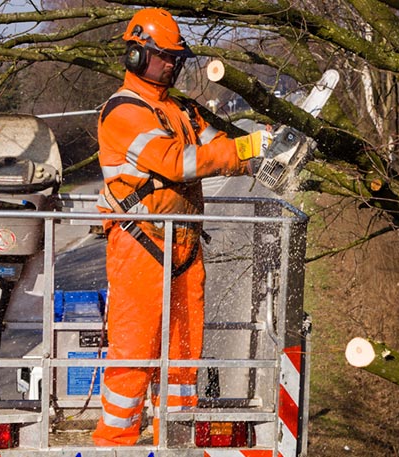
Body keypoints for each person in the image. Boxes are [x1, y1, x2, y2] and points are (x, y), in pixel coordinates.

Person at [92, 7, 272, 446]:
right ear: (137, 54)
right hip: (140, 241)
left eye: (176, 58)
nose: (172, 65)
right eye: (165, 56)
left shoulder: (181, 111)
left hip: (185, 244)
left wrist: (262, 149)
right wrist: (242, 150)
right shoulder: (122, 111)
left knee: (183, 349)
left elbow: (219, 148)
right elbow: (176, 163)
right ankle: (114, 442)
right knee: (134, 349)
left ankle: (174, 438)